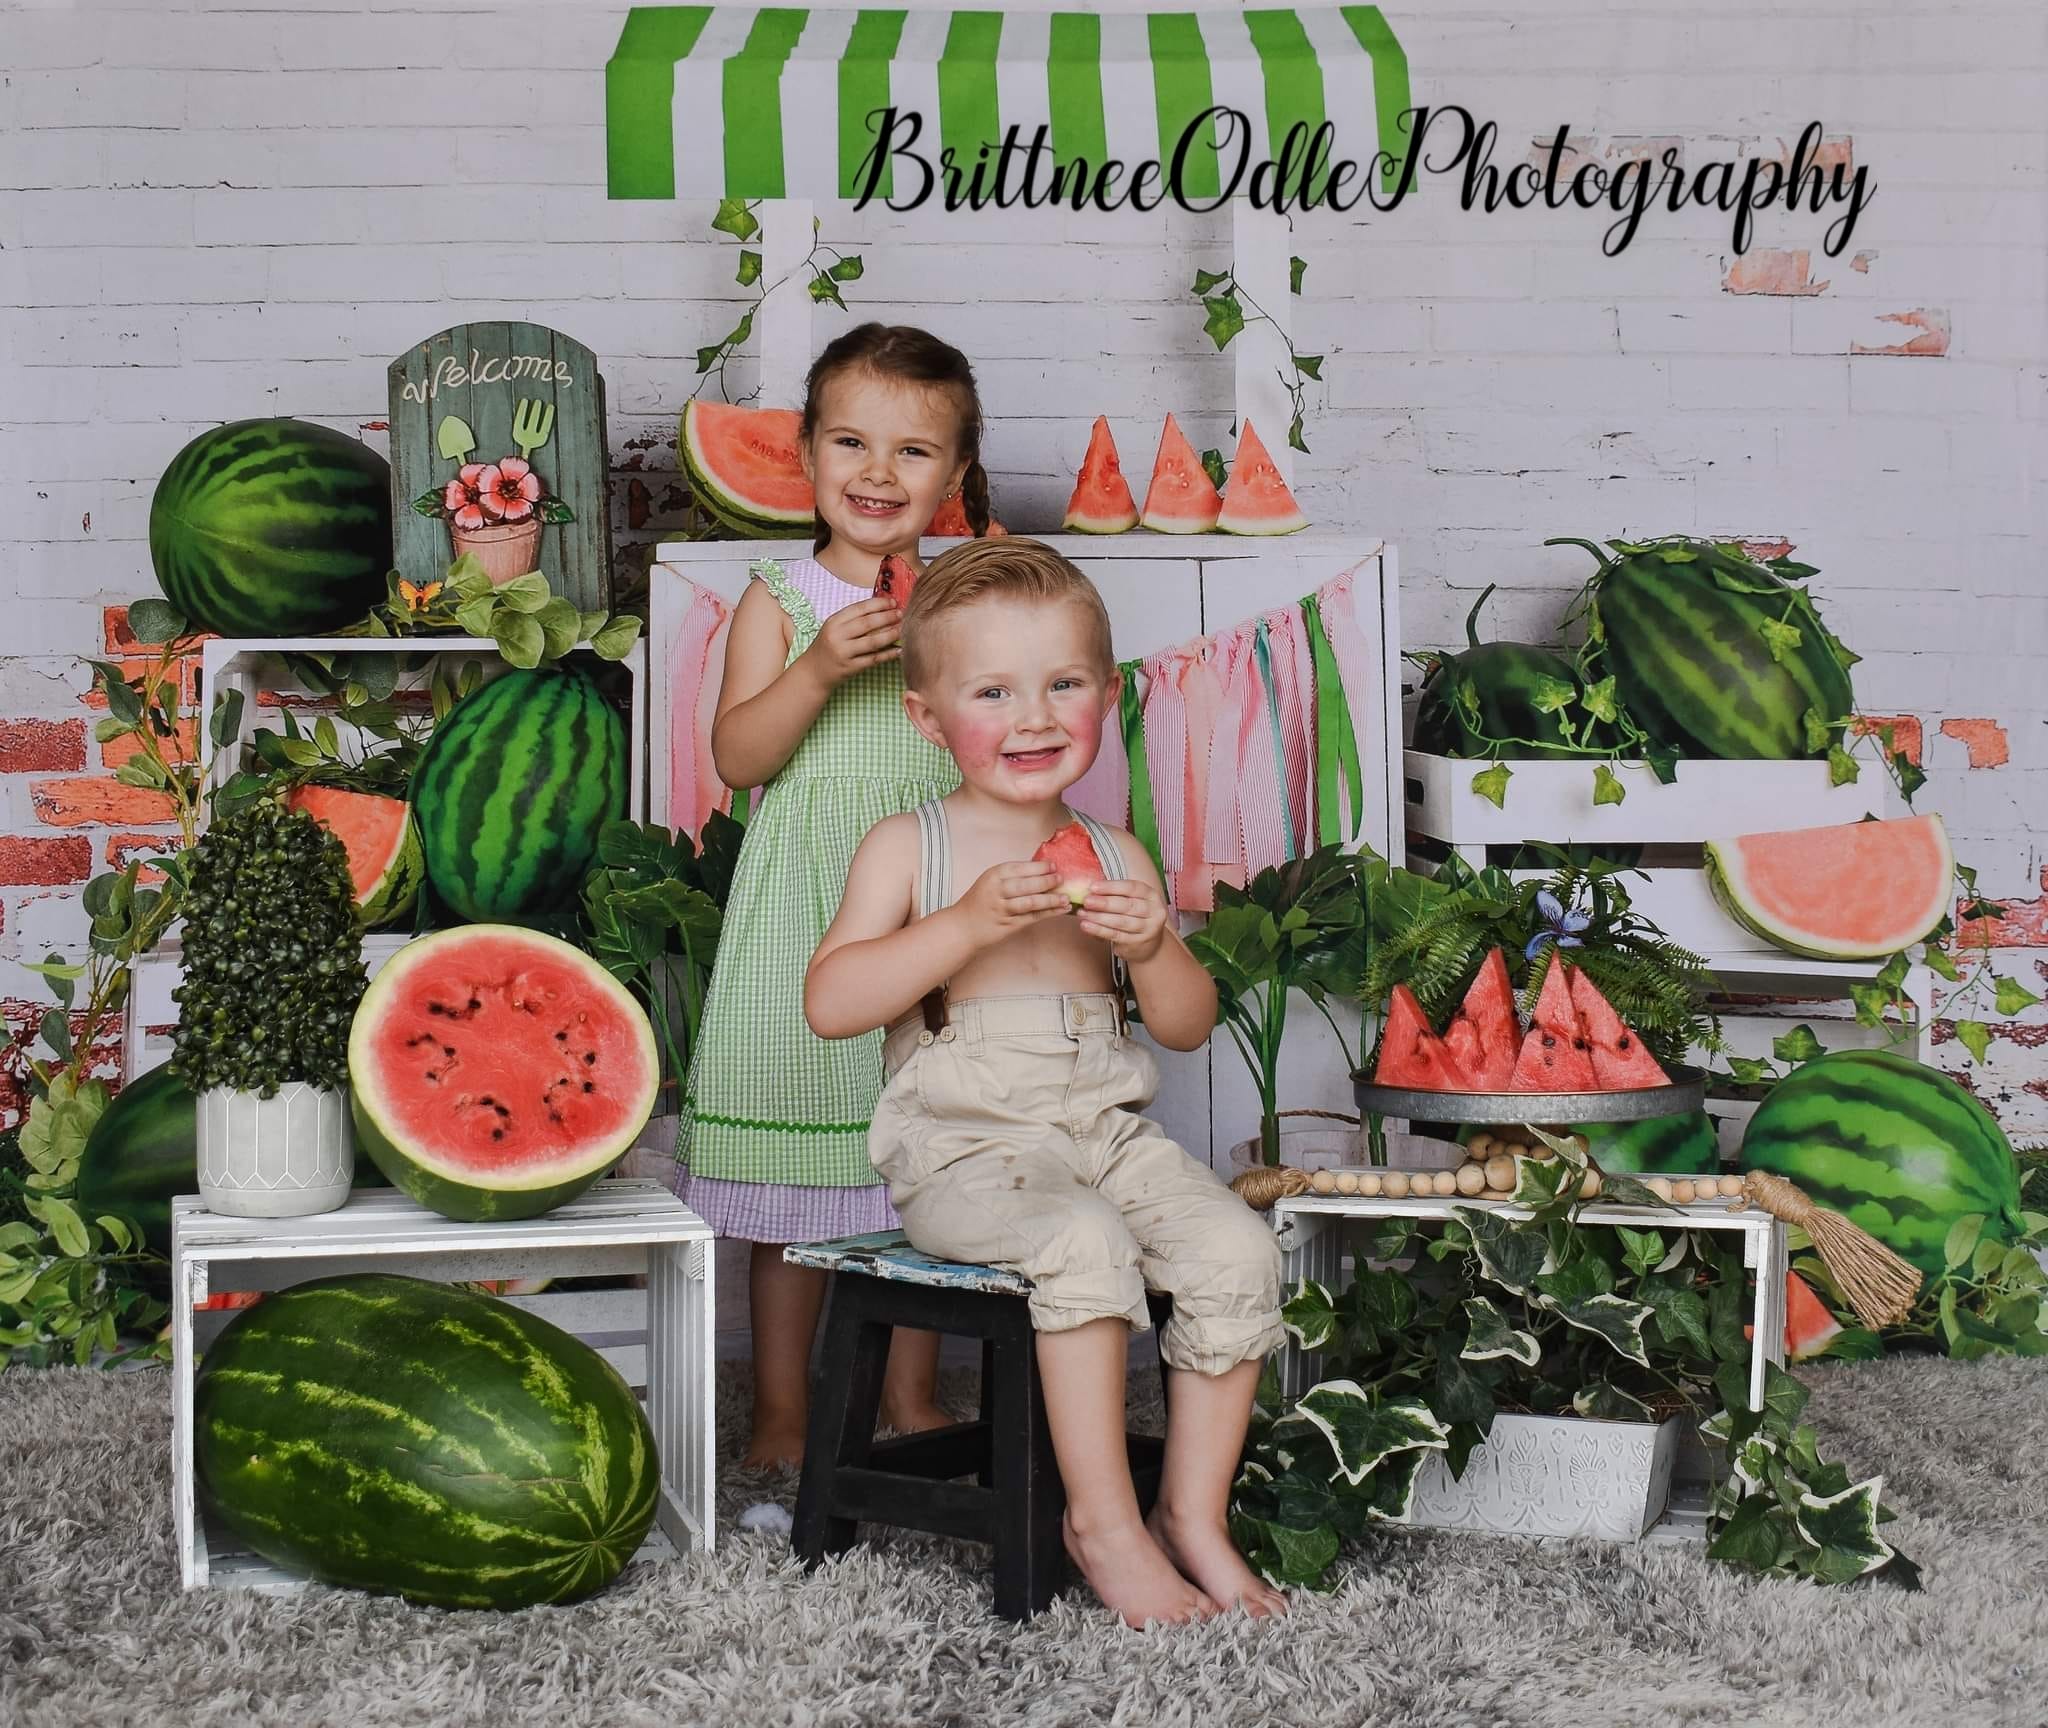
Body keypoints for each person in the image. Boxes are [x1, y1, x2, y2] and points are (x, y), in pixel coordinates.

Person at [805, 538, 1288, 1626]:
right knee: (1081, 1242)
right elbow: (832, 1003)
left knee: (1233, 1248)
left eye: (1062, 685)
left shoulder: (1113, 853)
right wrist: (964, 922)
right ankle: (1101, 1524)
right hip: (961, 1150)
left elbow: (1184, 1026)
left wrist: (1158, 944)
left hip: (1103, 1139)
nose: (1033, 717)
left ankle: (1190, 1518)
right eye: (993, 692)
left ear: (1105, 698)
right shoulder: (906, 846)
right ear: (929, 719)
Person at [676, 323, 995, 1468]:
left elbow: (1004, 739)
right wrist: (817, 665)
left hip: (933, 902)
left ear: (953, 478)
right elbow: (740, 760)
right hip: (805, 916)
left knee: (921, 1175)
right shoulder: (778, 594)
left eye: (913, 452)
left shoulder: (968, 595)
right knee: (792, 1185)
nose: (876, 471)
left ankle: (909, 1402)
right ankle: (778, 1414)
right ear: (805, 456)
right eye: (851, 441)